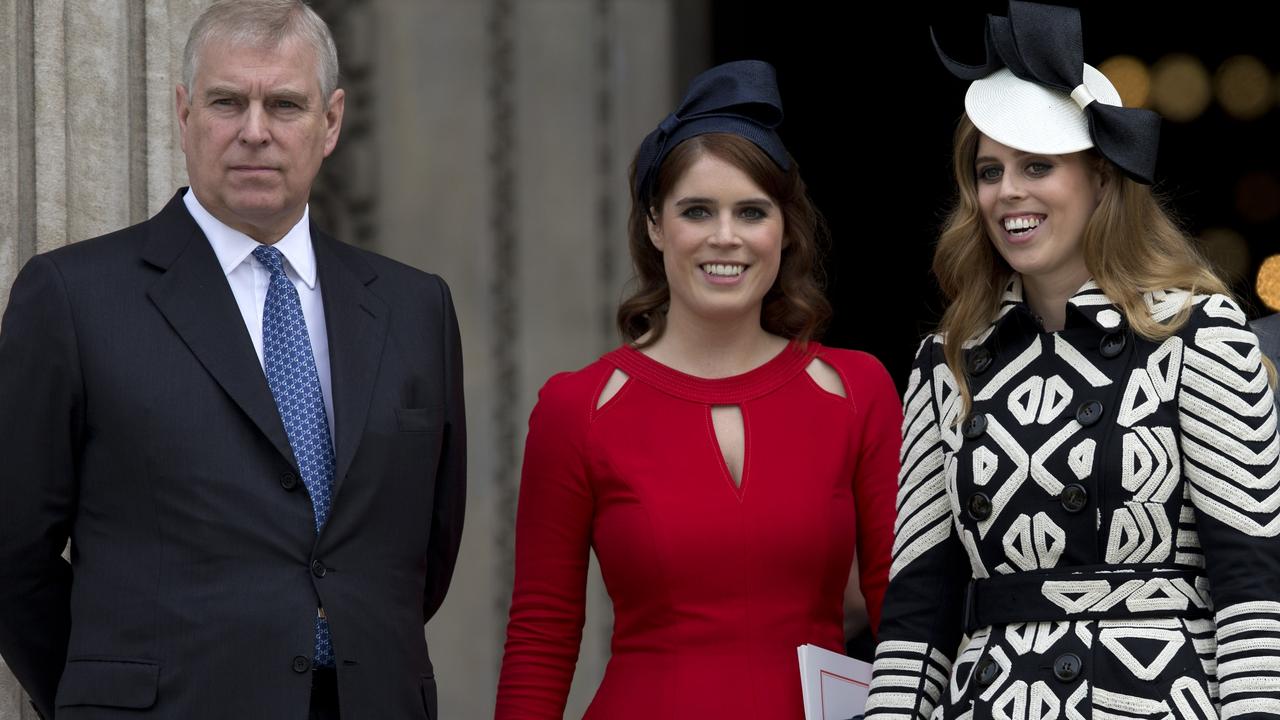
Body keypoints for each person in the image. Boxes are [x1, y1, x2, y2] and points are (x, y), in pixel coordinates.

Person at [0, 2, 465, 718]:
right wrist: (108, 684)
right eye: (227, 102)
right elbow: (11, 553)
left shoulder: (416, 309)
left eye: (284, 104)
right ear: (183, 114)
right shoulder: (73, 298)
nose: (255, 131)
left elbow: (421, 556)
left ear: (331, 122)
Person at [865, 2, 1280, 718]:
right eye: (990, 170)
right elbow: (916, 616)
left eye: (1038, 166)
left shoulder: (1199, 332)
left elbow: (1252, 586)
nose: (1008, 192)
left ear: (1103, 179)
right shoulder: (947, 360)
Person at [493, 59, 900, 719]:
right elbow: (543, 633)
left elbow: (903, 616)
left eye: (752, 211)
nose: (726, 236)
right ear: (656, 226)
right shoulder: (579, 409)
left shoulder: (857, 390)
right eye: (697, 211)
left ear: (784, 228)